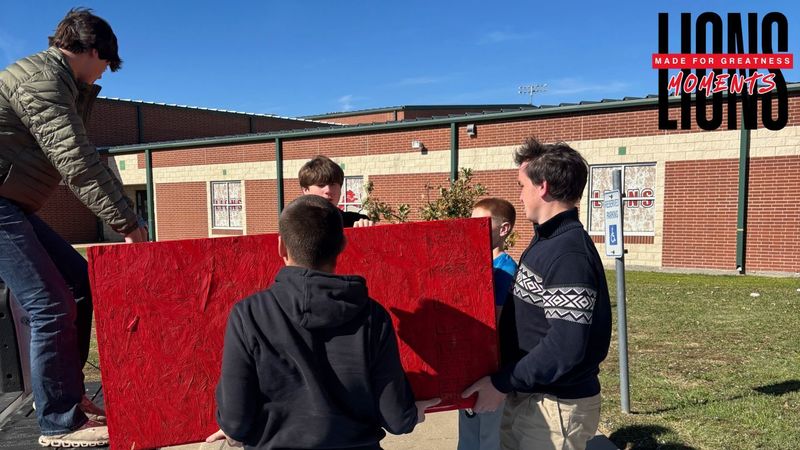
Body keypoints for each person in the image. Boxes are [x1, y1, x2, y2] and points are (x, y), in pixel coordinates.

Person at [0, 8, 147, 447]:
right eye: (106, 64)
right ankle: (58, 422)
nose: (104, 74)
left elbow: (83, 157)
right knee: (50, 304)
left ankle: (68, 395)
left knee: (78, 283)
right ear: (93, 51)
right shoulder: (43, 82)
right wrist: (128, 223)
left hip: (11, 203)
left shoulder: (57, 80)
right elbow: (77, 163)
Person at [207, 195, 439, 449]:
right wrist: (412, 414)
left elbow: (235, 422)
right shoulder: (373, 317)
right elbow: (395, 417)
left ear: (281, 247)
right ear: (342, 244)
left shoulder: (249, 314)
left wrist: (233, 428)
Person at [462, 138, 612, 450]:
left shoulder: (568, 253)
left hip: (555, 406)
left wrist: (502, 383)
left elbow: (565, 346)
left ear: (542, 187)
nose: (520, 195)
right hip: (530, 396)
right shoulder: (545, 241)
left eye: (522, 185)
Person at [458, 198, 518, 450]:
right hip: (472, 365)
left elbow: (494, 321)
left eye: (480, 223)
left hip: (491, 369)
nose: (472, 229)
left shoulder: (504, 270)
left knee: (488, 437)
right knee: (469, 434)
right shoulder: (476, 265)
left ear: (503, 229)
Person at [298, 155, 374, 227]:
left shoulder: (355, 222)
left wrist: (366, 232)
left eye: (333, 184)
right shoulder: (294, 225)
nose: (328, 190)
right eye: (321, 185)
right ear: (305, 190)